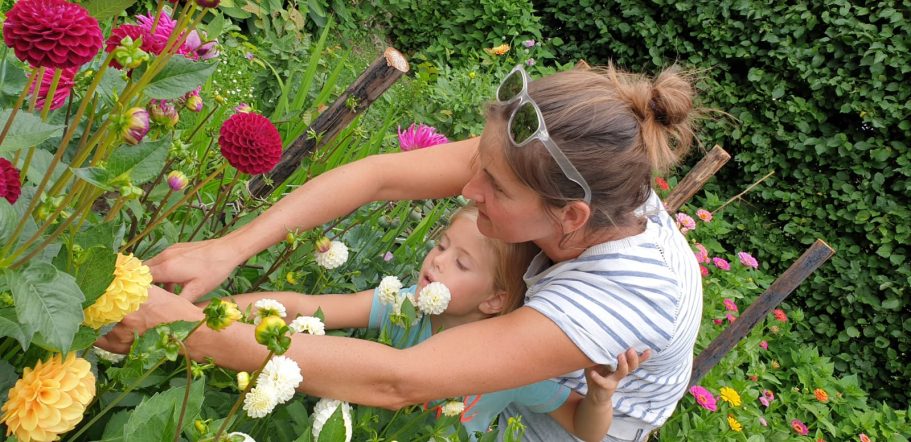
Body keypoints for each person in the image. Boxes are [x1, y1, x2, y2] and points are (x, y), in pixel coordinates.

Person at [99, 62, 703, 441]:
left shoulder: (628, 294)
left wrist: (182, 331)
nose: (467, 192)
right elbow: (382, 176)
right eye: (480, 168)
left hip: (573, 422)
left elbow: (400, 381)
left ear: (569, 218)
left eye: (493, 187)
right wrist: (230, 248)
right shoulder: (590, 168)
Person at [226, 203, 647, 441]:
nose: (437, 261)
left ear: (495, 300)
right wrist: (220, 314)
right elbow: (307, 306)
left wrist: (597, 399)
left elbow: (584, 429)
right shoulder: (402, 306)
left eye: (460, 263)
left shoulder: (506, 365)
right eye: (442, 245)